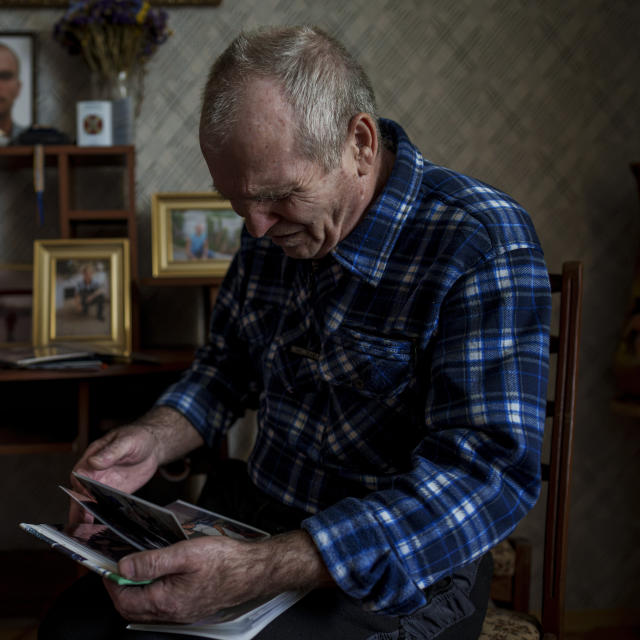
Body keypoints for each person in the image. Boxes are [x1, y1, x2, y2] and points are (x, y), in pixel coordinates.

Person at [39, 25, 551, 640]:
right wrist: (154, 439)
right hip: (258, 520)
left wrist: (264, 567)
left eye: (279, 198)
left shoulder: (479, 240)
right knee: (74, 628)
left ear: (358, 143)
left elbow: (487, 475)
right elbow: (226, 367)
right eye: (238, 205)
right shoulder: (272, 229)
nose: (255, 230)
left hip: (402, 569)